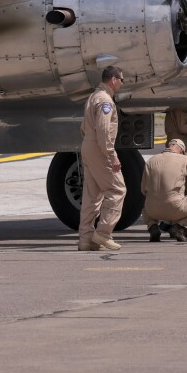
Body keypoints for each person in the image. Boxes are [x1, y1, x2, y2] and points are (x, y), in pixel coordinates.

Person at [78, 65, 127, 251]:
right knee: (118, 189)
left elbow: (84, 127)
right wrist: (111, 155)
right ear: (113, 79)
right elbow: (104, 130)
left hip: (89, 145)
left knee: (92, 195)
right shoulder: (105, 101)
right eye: (121, 80)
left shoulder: (93, 97)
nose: (122, 83)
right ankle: (103, 233)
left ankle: (86, 239)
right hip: (100, 147)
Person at [142, 139, 187, 242]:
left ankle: (152, 226)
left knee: (147, 202)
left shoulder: (151, 160)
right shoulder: (185, 159)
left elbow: (143, 189)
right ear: (181, 150)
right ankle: (181, 228)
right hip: (174, 208)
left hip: (152, 211)